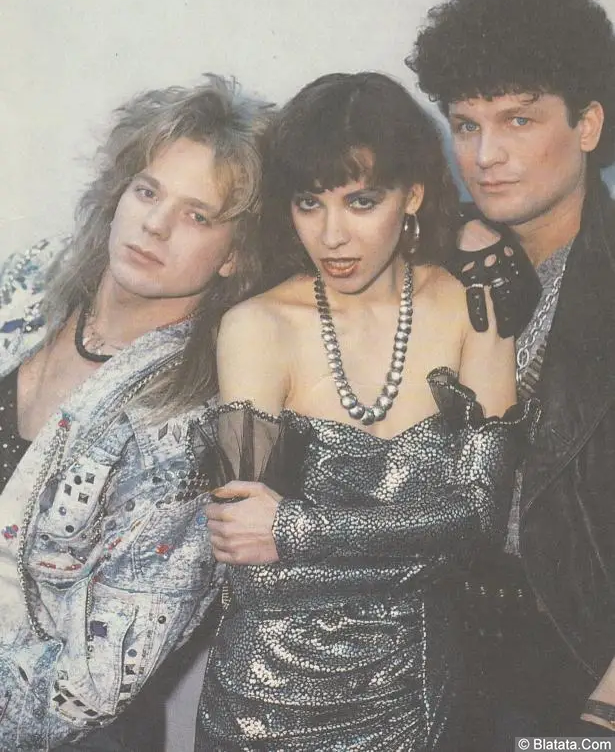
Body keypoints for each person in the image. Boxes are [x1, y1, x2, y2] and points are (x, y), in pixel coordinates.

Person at [198, 72, 537, 750]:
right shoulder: (256, 326)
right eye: (309, 203)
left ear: (411, 194)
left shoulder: (473, 304)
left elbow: (479, 523)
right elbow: (250, 560)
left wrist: (295, 528)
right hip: (261, 700)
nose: (332, 235)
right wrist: (418, 541)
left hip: (416, 696)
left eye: (361, 201)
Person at [0, 74, 272, 750]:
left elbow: (89, 686)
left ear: (235, 255)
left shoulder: (194, 428)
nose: (155, 224)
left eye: (197, 216)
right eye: (148, 192)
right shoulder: (27, 284)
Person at [408, 0, 615, 746]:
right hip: (423, 660)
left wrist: (599, 721)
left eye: (518, 120)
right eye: (465, 125)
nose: (485, 153)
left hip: (575, 669)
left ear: (587, 124)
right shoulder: (430, 260)